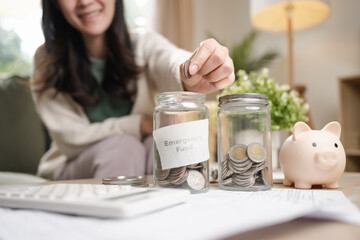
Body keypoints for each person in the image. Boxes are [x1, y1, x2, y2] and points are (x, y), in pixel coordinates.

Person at [31, 0, 235, 180]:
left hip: (138, 153)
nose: (85, 1)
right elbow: (71, 138)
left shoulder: (142, 43)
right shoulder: (47, 61)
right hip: (72, 162)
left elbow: (169, 59)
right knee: (124, 148)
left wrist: (190, 69)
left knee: (156, 146)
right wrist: (138, 125)